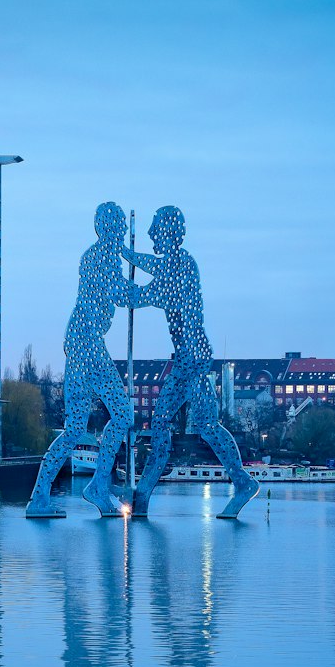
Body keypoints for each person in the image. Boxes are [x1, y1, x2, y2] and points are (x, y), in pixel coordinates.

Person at [122, 206, 258, 520]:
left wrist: (119, 284)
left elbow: (148, 293)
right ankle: (143, 500)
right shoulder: (175, 263)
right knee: (177, 427)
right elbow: (152, 268)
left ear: (166, 233)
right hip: (188, 359)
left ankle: (241, 482)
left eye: (154, 231)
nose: (151, 236)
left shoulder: (182, 266)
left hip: (192, 360)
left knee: (187, 426)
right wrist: (127, 255)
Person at [26, 203, 141, 518]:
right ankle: (94, 488)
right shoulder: (98, 257)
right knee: (118, 414)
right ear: (106, 228)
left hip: (86, 343)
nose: (119, 234)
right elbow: (121, 294)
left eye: (120, 229)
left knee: (80, 426)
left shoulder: (103, 256)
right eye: (116, 228)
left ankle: (54, 496)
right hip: (86, 344)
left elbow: (120, 292)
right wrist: (156, 292)